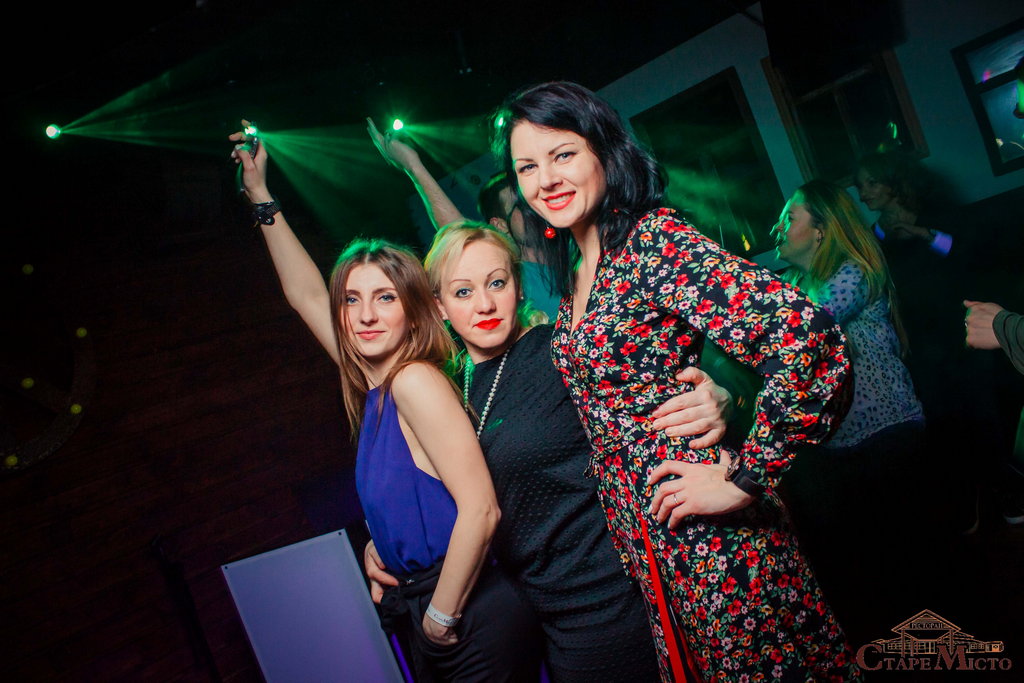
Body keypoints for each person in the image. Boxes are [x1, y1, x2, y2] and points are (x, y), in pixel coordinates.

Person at [492, 81, 860, 682]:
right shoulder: (580, 269)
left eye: (563, 154)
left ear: (603, 151)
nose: (546, 180)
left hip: (712, 535)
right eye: (527, 167)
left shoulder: (652, 241)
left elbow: (809, 341)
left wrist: (746, 478)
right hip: (652, 541)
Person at [229, 124, 541, 682]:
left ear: (414, 311)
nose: (366, 315)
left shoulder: (414, 381)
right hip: (426, 605)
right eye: (351, 300)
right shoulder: (371, 388)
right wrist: (260, 194)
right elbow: (305, 293)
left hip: (466, 611)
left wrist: (440, 618)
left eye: (384, 297)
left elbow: (481, 510)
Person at [365, 220, 732, 682]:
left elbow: (656, 398)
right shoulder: (443, 384)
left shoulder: (560, 354)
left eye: (497, 283)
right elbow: (428, 483)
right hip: (524, 615)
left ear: (518, 287)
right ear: (439, 306)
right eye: (463, 292)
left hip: (603, 599)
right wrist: (381, 543)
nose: (484, 304)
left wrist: (721, 399)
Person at [771, 179, 927, 640]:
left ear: (821, 229)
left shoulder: (852, 273)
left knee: (914, 571)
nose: (777, 226)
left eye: (789, 217)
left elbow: (807, 330)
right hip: (837, 448)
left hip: (888, 437)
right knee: (868, 577)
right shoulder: (793, 285)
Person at [367, 118, 561, 317]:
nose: (531, 209)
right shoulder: (512, 275)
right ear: (501, 225)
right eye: (519, 206)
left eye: (530, 199)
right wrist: (414, 167)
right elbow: (458, 229)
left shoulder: (571, 248)